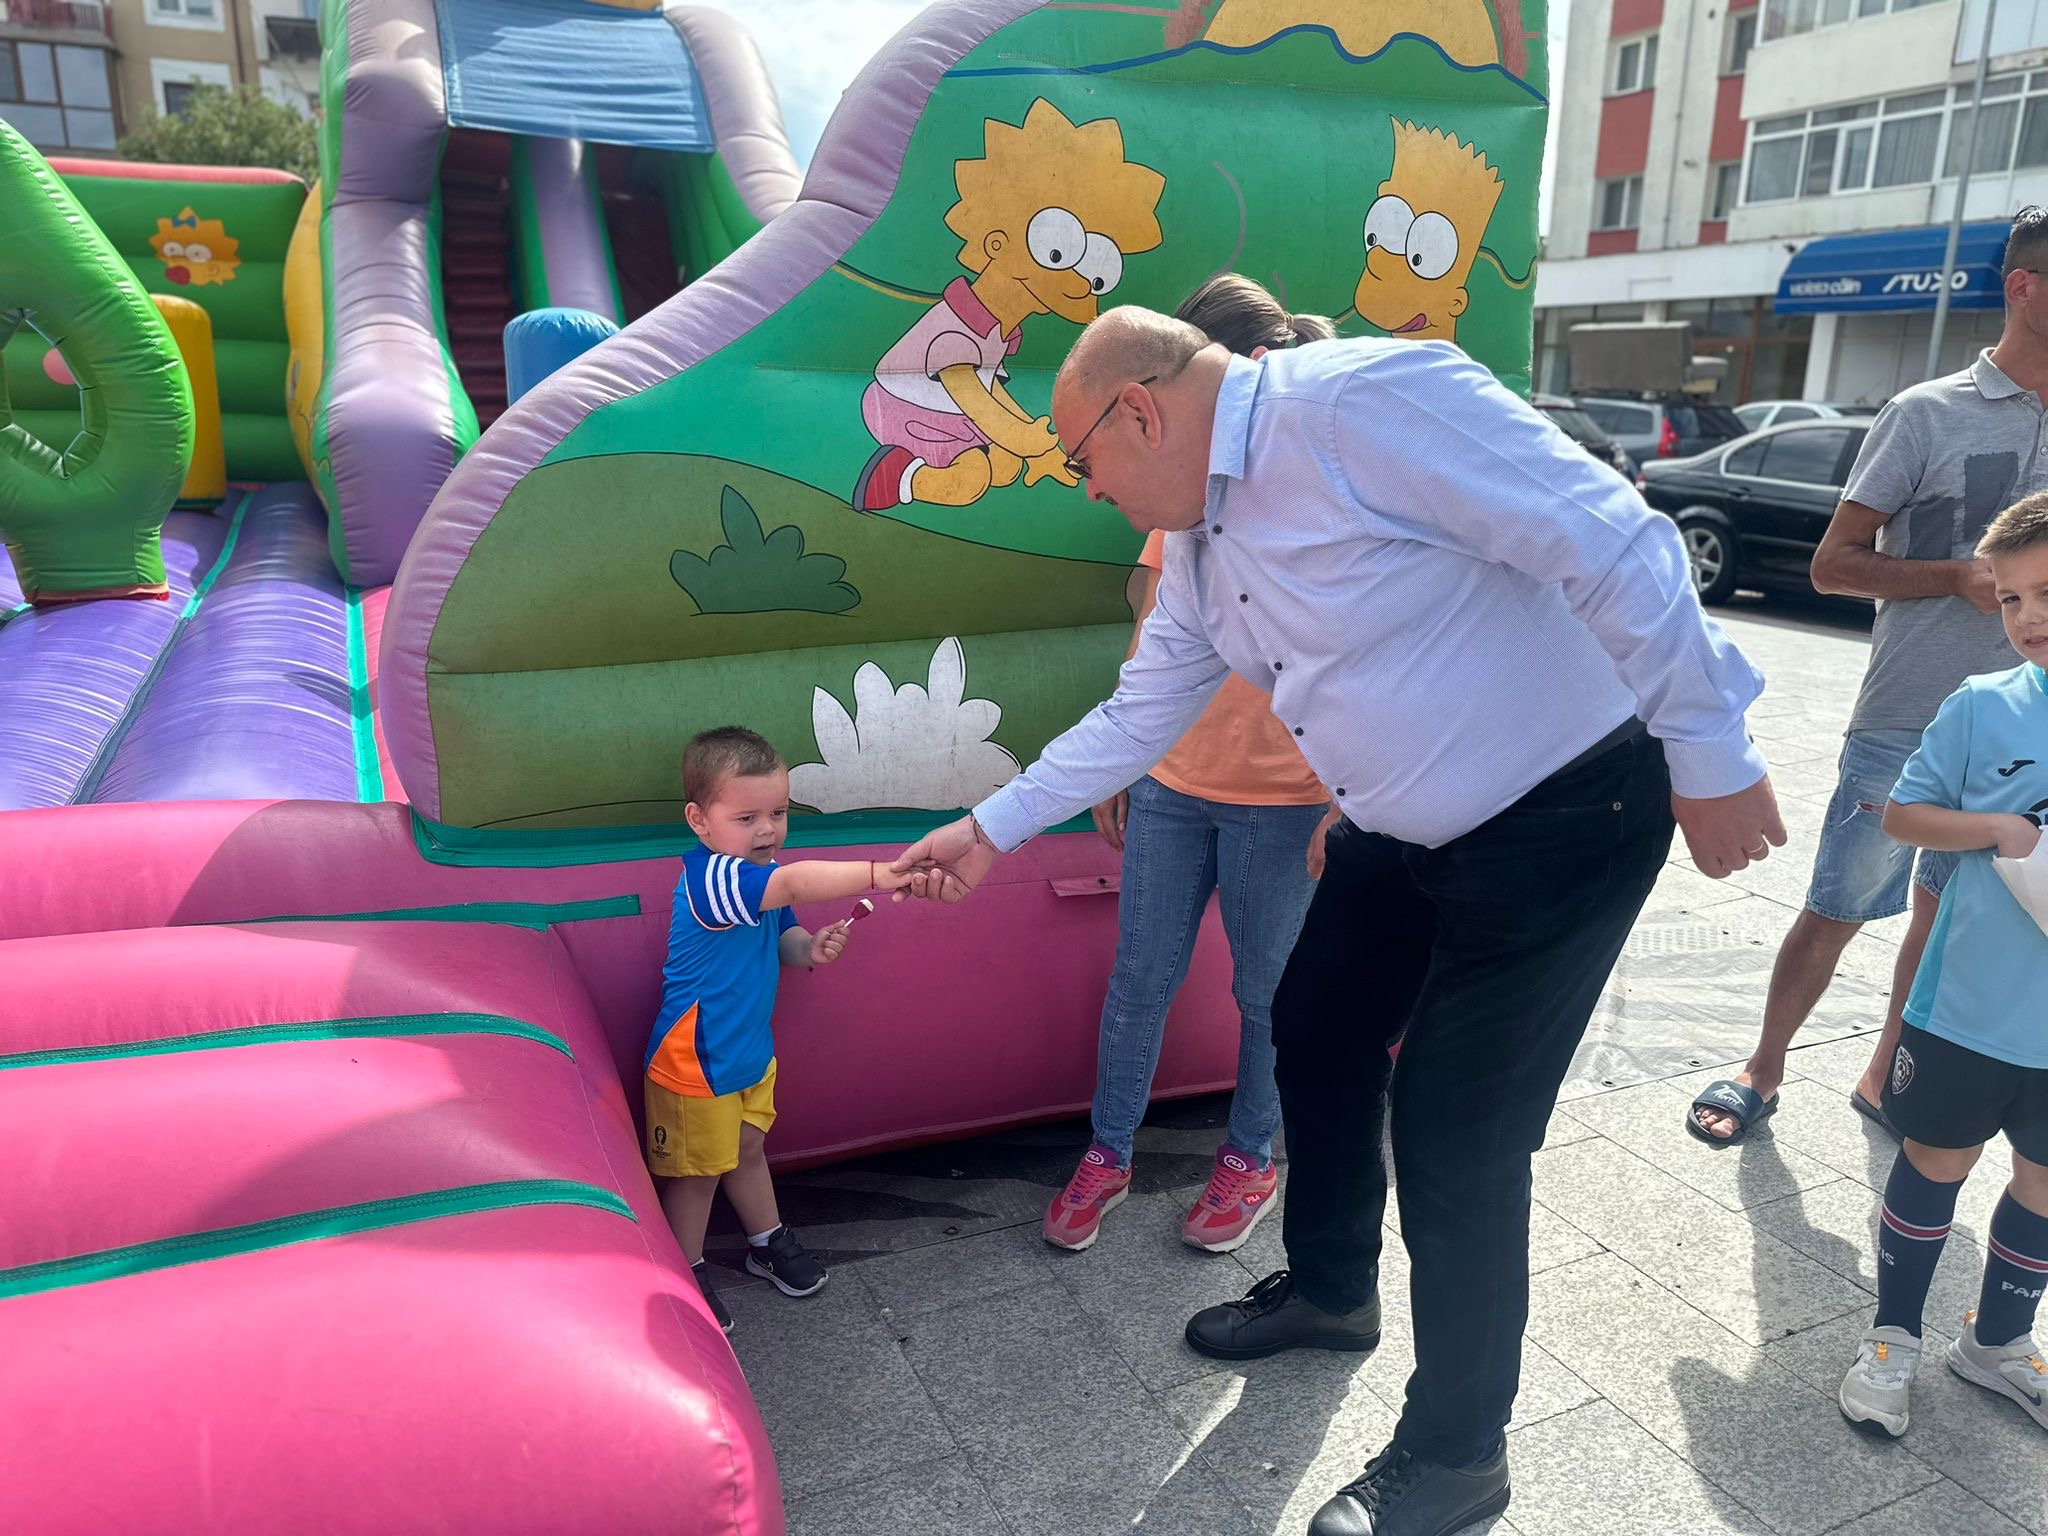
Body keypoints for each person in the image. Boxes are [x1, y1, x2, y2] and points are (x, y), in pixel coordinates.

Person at [892, 301, 1782, 1536]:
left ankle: (1456, 1458)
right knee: (1308, 1028)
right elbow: (1140, 712)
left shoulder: (1360, 403)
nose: (1086, 490)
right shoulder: (1200, 544)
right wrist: (990, 828)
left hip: (1566, 808)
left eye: (1081, 460)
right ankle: (1328, 1290)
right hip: (1398, 832)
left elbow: (1609, 537)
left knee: (1453, 1132)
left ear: (1138, 410)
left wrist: (1709, 749)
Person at [1690, 206, 2048, 1146]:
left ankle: (1886, 1075)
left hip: (2024, 729)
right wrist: (1954, 577)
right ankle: (1763, 1068)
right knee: (1840, 903)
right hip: (1909, 713)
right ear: (2024, 288)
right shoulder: (1927, 413)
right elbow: (1832, 565)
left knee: (1948, 914)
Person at [1047, 275, 1338, 1255]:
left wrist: (1349, 798)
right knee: (1139, 978)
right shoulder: (1169, 497)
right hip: (1172, 786)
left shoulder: (1317, 495)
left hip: (1281, 799)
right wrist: (1122, 766)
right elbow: (1146, 643)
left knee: (1265, 994)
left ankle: (1251, 1156)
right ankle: (1107, 1152)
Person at [1837, 492, 2048, 1437]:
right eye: (2009, 599)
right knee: (1936, 1160)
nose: (2027, 617)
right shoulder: (1983, 705)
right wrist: (1997, 829)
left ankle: (1997, 1343)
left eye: (2046, 593)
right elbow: (1902, 814)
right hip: (1967, 1007)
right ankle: (1891, 1337)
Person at [647, 726, 908, 1333]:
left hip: (749, 1054)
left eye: (778, 813)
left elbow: (784, 931)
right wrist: (881, 872)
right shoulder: (712, 877)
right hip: (695, 1062)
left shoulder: (759, 872)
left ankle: (766, 1241)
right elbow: (787, 887)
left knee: (747, 1151)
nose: (767, 830)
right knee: (696, 1176)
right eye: (747, 817)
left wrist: (809, 948)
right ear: (699, 820)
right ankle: (684, 1271)